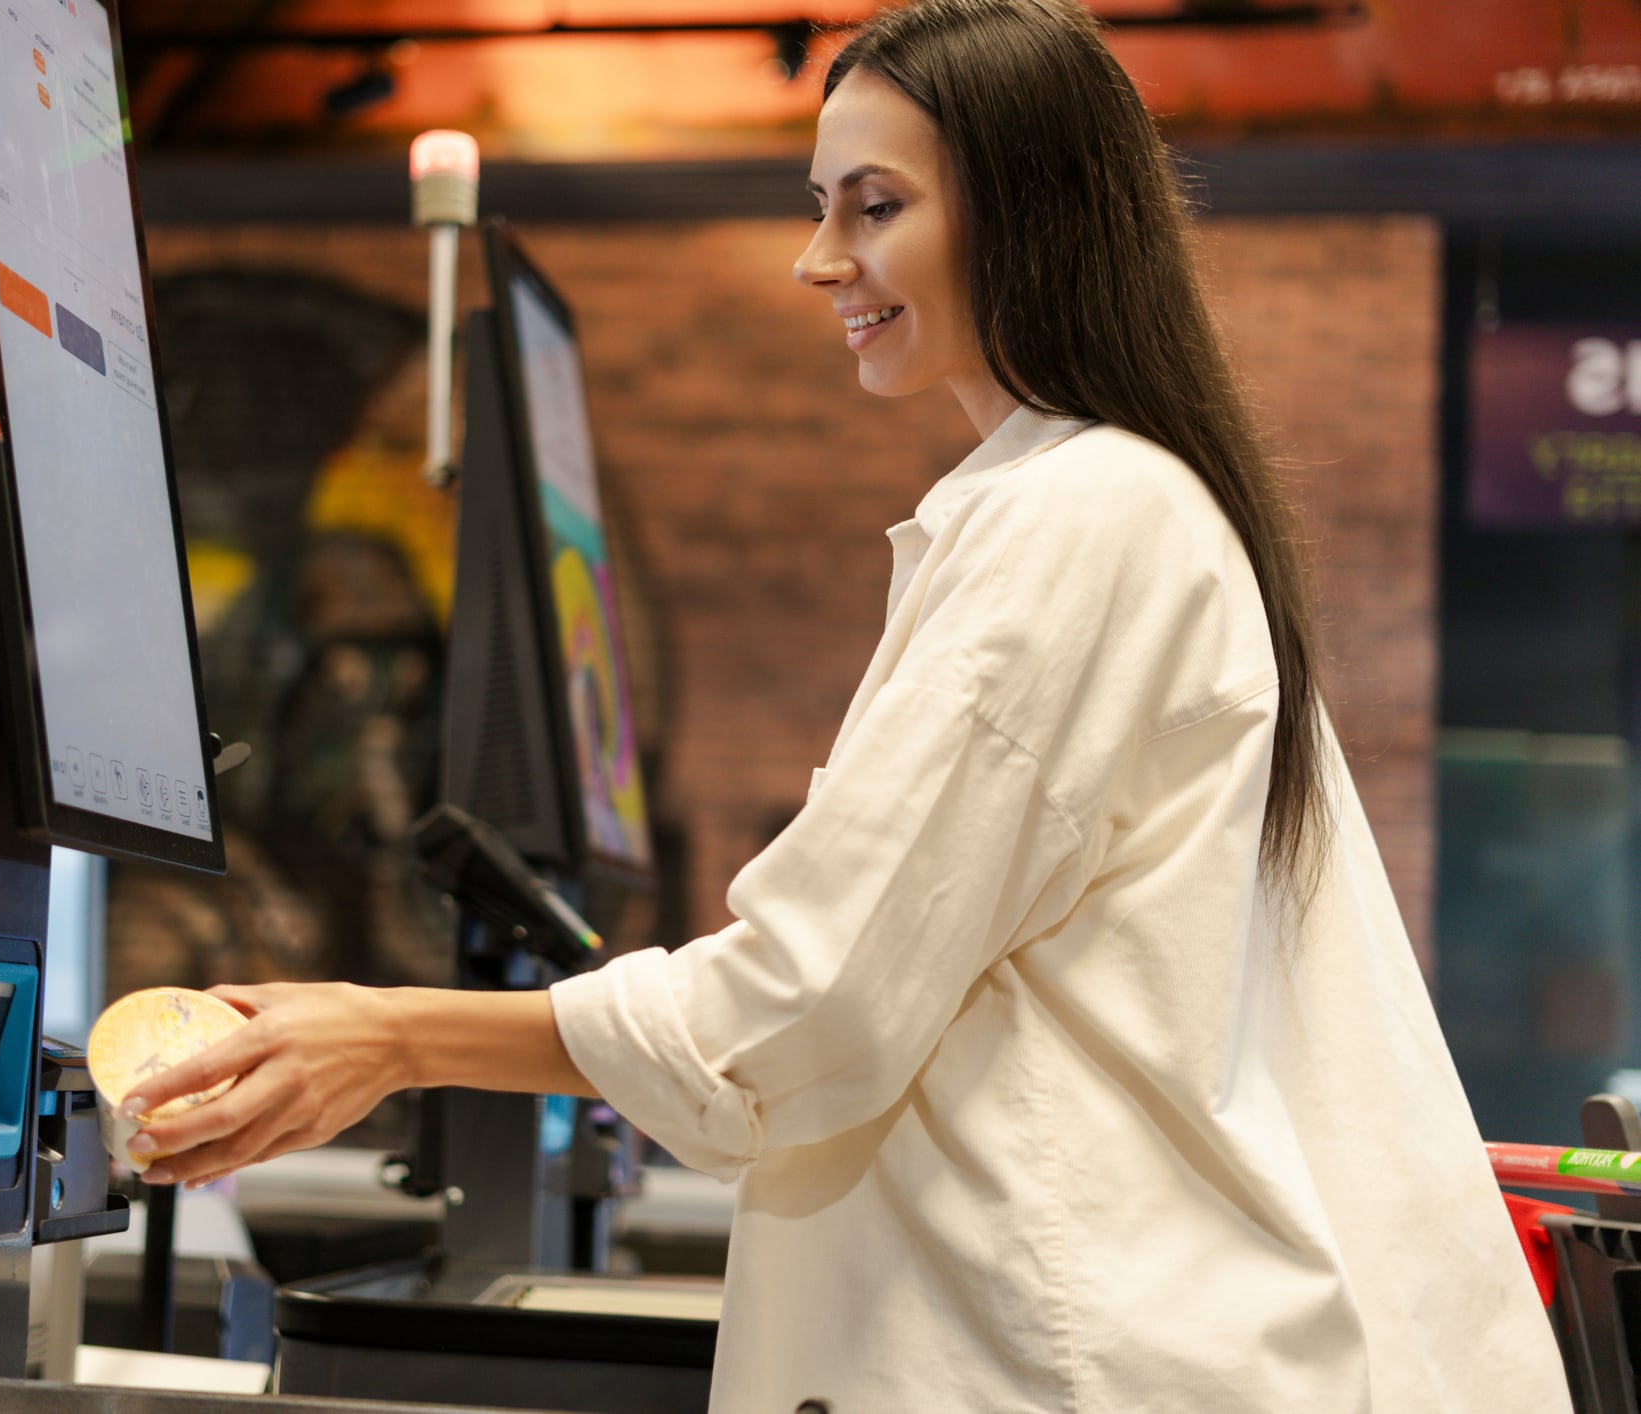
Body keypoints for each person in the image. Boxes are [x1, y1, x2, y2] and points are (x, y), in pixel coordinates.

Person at [116, 2, 1569, 1408]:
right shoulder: (1110, 504)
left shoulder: (1081, 517)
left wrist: (385, 1032)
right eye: (822, 205)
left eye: (872, 207)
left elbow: (802, 1008)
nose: (820, 261)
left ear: (1031, 216)